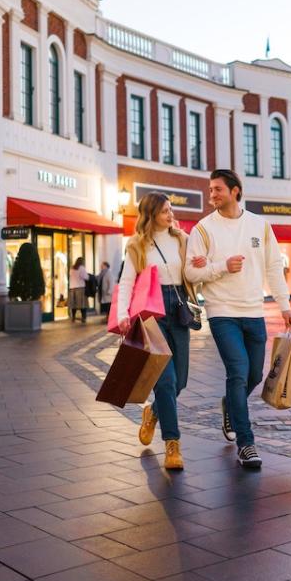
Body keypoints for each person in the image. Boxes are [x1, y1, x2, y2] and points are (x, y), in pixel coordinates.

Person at [186, 169, 291, 469]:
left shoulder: (259, 226)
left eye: (218, 189)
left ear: (235, 191)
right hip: (222, 313)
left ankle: (230, 405)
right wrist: (221, 266)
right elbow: (191, 273)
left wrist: (284, 306)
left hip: (253, 311)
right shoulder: (203, 229)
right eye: (210, 190)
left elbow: (274, 267)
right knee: (237, 371)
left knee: (254, 377)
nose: (212, 195)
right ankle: (246, 443)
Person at [117, 193, 204, 471]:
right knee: (165, 380)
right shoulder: (137, 245)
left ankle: (152, 413)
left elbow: (190, 274)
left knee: (180, 381)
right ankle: (172, 445)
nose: (171, 214)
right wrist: (122, 314)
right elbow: (127, 282)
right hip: (151, 313)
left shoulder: (183, 239)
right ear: (151, 214)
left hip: (178, 308)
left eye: (171, 209)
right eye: (165, 211)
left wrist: (200, 267)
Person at [68, 257, 88, 323]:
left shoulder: (72, 268)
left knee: (73, 303)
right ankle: (83, 318)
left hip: (72, 288)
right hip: (80, 288)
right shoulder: (81, 268)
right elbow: (86, 277)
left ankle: (73, 317)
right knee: (82, 303)